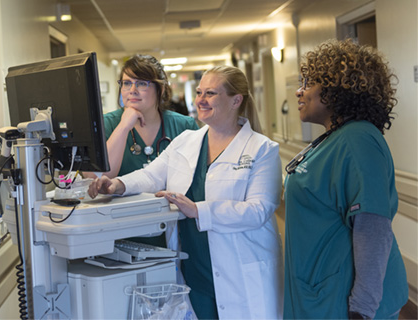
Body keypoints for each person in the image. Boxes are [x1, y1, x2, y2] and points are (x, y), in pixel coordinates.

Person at [88, 65, 283, 319]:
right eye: (200, 92)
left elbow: (259, 210)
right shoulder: (187, 141)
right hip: (194, 271)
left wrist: (197, 209)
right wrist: (117, 185)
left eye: (210, 93)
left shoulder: (262, 149)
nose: (200, 100)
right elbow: (150, 175)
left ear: (236, 100)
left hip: (241, 270)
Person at [283, 39, 408, 319]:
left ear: (336, 90)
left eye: (308, 83)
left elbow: (373, 228)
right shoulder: (334, 139)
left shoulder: (359, 140)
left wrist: (362, 309)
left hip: (345, 300)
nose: (298, 91)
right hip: (321, 288)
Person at [84, 54, 198, 246]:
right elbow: (96, 179)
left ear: (160, 89)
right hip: (120, 234)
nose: (132, 90)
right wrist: (123, 127)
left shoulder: (184, 126)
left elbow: (198, 183)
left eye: (142, 84)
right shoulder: (107, 124)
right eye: (127, 83)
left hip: (174, 232)